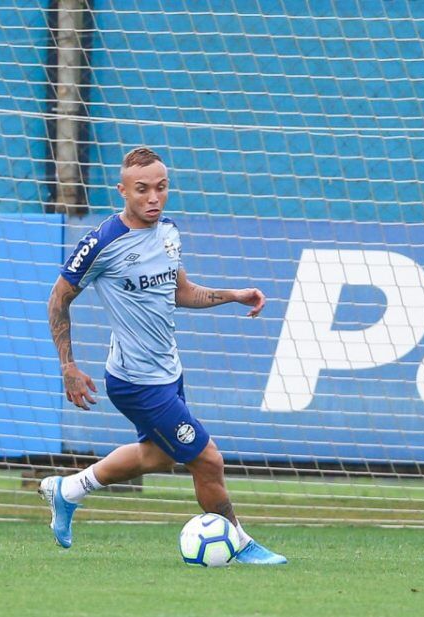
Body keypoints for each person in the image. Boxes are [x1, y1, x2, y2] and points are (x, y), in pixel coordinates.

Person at [39, 147, 286, 565]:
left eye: (161, 188)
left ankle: (68, 491)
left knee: (158, 455)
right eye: (142, 190)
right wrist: (68, 365)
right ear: (122, 191)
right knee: (207, 460)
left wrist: (233, 295)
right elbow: (58, 299)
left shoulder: (169, 231)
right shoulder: (102, 242)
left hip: (168, 371)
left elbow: (180, 291)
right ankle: (240, 543)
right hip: (135, 381)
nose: (153, 197)